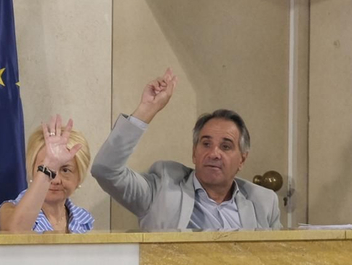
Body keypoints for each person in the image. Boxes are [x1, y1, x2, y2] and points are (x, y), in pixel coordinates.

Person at [89, 68, 281, 231]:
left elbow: (280, 256)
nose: (214, 153)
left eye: (226, 146)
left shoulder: (263, 202)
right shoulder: (161, 189)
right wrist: (147, 109)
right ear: (194, 153)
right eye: (206, 144)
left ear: (242, 160)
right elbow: (105, 170)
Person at [0, 115, 95, 233]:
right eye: (44, 168)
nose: (55, 180)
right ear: (32, 170)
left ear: (79, 177)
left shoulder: (84, 219)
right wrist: (49, 166)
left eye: (65, 170)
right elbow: (16, 230)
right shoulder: (9, 210)